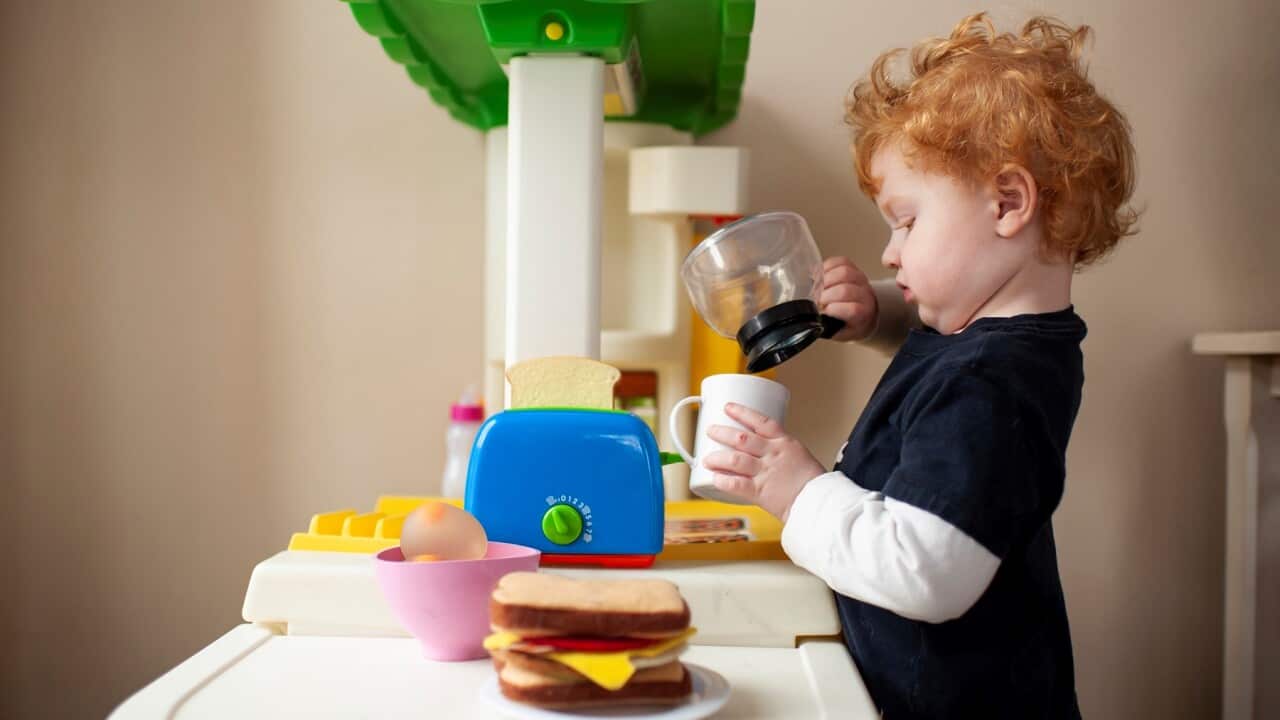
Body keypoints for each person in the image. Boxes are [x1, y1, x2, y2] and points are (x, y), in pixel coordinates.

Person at [701, 13, 1138, 718]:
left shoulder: (991, 386)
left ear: (1007, 203)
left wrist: (797, 492)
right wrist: (878, 314)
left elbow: (926, 572)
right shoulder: (999, 335)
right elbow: (941, 337)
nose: (891, 251)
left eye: (906, 221)